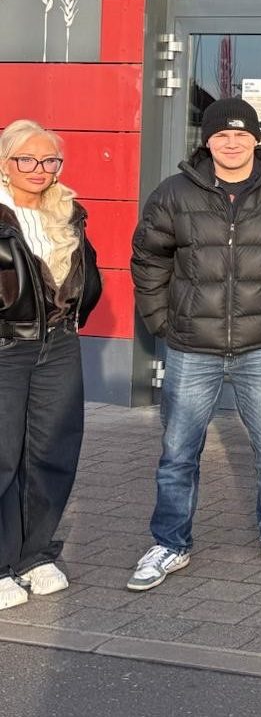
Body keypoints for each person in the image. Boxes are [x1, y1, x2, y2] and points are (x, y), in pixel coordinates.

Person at [128, 97, 261, 591]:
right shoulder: (175, 192)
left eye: (241, 134)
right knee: (178, 452)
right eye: (222, 135)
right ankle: (170, 543)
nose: (231, 143)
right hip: (192, 348)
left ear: (256, 139)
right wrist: (160, 321)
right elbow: (149, 258)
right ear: (207, 140)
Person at [0, 120, 102, 611]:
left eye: (49, 160)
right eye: (27, 159)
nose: (39, 169)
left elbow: (85, 275)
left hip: (59, 344)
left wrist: (74, 318)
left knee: (52, 451)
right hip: (5, 346)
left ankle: (34, 554)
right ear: (6, 162)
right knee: (4, 454)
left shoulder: (67, 211)